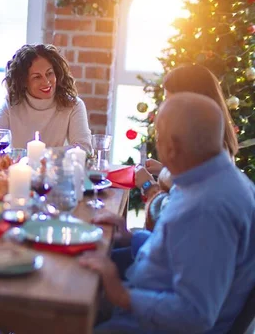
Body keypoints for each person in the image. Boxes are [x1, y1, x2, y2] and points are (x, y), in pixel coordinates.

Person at [81, 92, 255, 334]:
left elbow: (195, 315)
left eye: (158, 139)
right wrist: (132, 237)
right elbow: (184, 248)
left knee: (56, 308)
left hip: (144, 325)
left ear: (171, 147)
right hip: (142, 300)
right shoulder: (210, 175)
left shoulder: (208, 208)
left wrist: (121, 295)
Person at [138, 64, 239, 230]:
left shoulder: (206, 155)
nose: (164, 108)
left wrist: (148, 186)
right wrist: (163, 169)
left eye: (170, 100)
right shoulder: (207, 144)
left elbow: (172, 218)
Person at [0, 44, 91, 152]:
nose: (46, 82)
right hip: (19, 168)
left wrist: (41, 154)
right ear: (24, 82)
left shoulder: (74, 105)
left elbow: (84, 148)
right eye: (37, 77)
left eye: (49, 73)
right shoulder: (12, 104)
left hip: (57, 168)